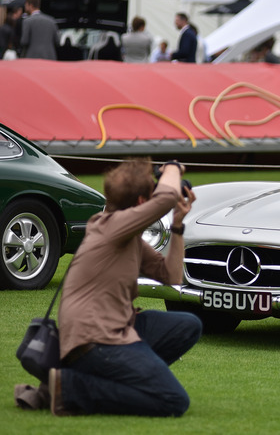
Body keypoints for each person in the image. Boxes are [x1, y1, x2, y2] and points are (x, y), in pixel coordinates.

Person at [48, 159, 202, 417]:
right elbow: (166, 198)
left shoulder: (124, 233)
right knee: (173, 400)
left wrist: (177, 225)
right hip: (96, 340)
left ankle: (120, 380)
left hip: (118, 328)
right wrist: (173, 167)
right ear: (143, 203)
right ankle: (72, 388)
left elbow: (171, 275)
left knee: (187, 325)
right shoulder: (112, 227)